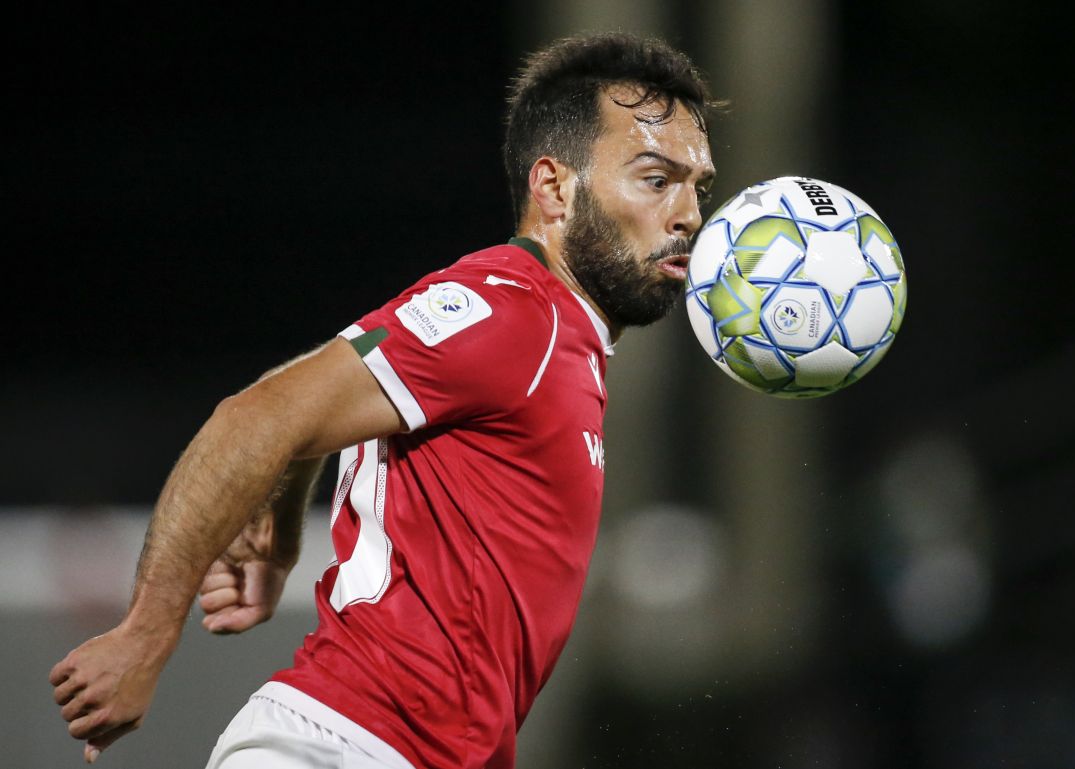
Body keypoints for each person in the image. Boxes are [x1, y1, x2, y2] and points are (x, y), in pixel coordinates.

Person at [49, 31, 719, 769]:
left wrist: (282, 512)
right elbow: (253, 416)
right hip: (344, 746)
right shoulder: (514, 314)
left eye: (698, 187)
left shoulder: (542, 326)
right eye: (657, 179)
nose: (688, 213)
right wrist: (146, 632)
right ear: (555, 188)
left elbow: (313, 397)